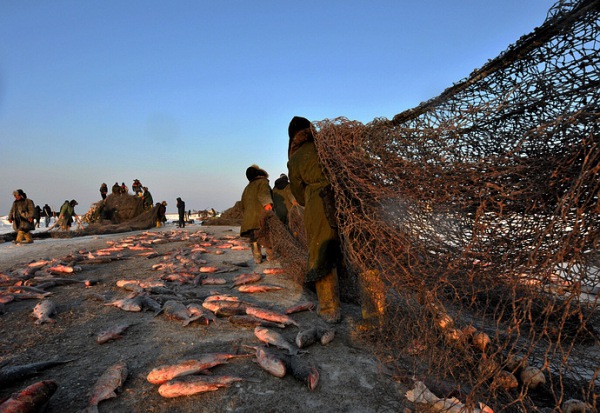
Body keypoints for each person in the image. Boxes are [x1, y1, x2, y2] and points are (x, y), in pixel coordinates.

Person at [287, 116, 343, 323]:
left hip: (319, 201)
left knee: (322, 252)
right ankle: (374, 315)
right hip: (348, 201)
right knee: (359, 255)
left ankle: (329, 309)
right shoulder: (329, 148)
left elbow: (298, 193)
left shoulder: (297, 156)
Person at [240, 164, 274, 264]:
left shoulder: (247, 188)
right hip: (261, 216)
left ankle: (257, 258)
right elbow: (264, 195)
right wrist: (268, 207)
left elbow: (243, 204)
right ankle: (270, 256)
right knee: (268, 236)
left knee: (253, 238)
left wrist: (246, 216)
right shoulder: (262, 182)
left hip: (249, 218)